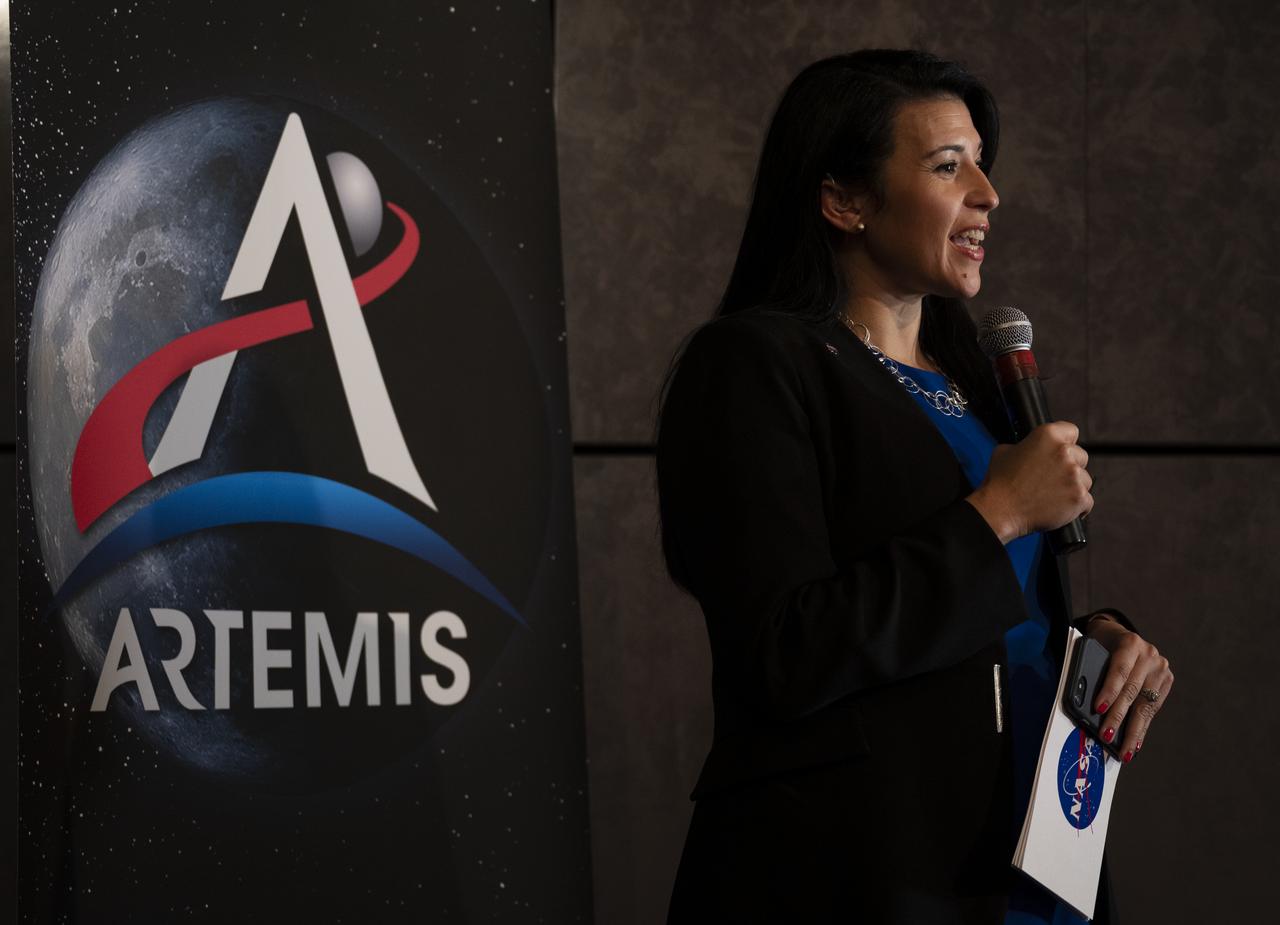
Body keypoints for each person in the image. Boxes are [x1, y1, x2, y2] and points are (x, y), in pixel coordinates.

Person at [655, 50, 1174, 924]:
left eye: (982, 163)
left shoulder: (976, 378)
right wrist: (999, 512)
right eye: (946, 166)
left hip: (1033, 852)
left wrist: (1097, 641)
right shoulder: (755, 364)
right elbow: (784, 651)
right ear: (844, 200)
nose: (988, 194)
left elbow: (979, 612)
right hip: (865, 867)